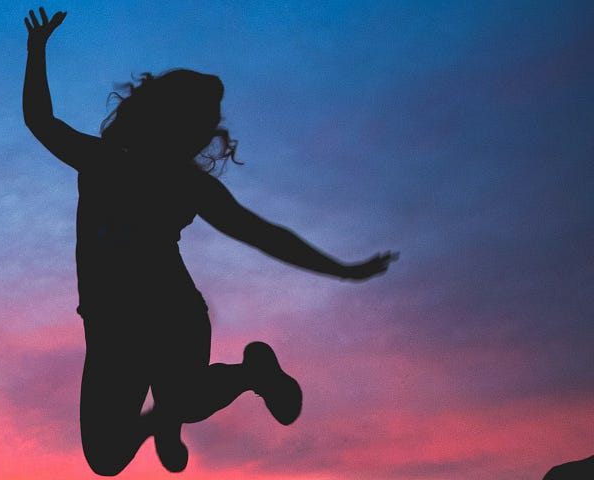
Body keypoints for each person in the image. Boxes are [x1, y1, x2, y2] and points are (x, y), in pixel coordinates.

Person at [21, 7, 398, 476]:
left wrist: (342, 269)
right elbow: (39, 120)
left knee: (184, 396)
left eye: (204, 128)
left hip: (169, 311)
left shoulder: (184, 183)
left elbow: (262, 234)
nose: (203, 138)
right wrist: (36, 51)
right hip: (108, 323)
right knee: (105, 457)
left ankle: (247, 376)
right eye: (199, 126)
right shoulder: (105, 160)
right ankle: (166, 418)